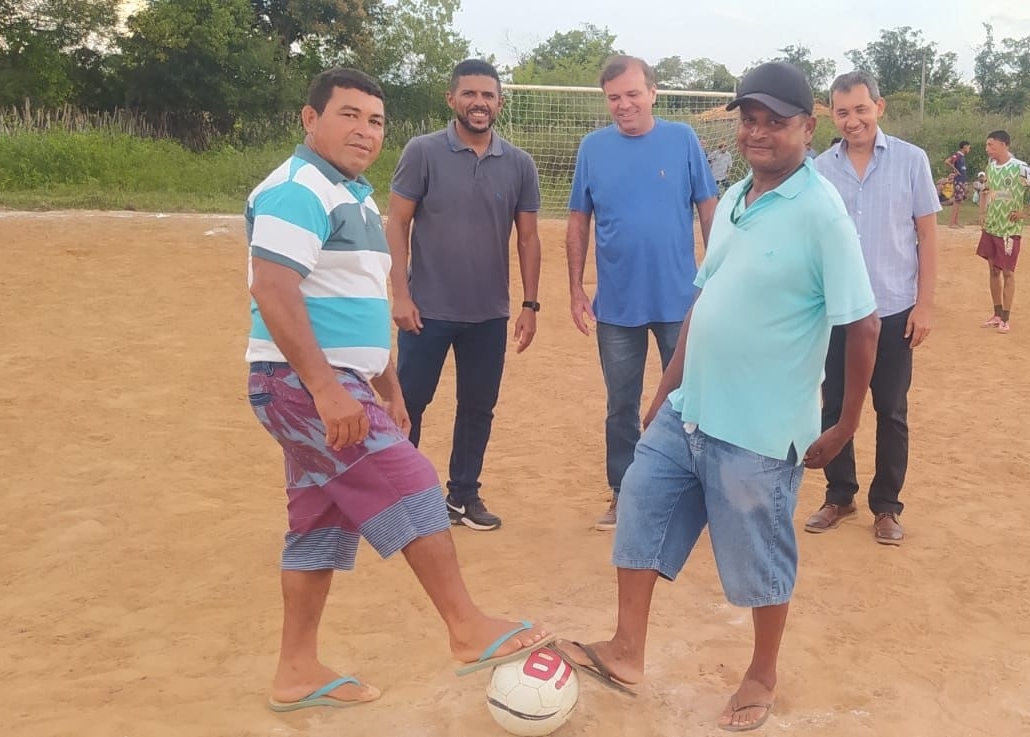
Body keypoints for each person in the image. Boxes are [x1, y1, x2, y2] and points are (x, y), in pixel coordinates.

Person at [551, 61, 881, 733]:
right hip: (690, 407)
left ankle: (762, 670)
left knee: (760, 557)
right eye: (749, 119)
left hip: (760, 428)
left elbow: (863, 321)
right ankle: (626, 649)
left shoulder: (822, 212)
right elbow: (704, 298)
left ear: (807, 129)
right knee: (640, 503)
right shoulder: (735, 198)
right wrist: (666, 388)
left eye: (775, 121)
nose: (758, 132)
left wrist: (845, 424)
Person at [244, 68, 552, 713]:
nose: (364, 131)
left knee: (320, 524)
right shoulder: (296, 190)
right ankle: (466, 627)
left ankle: (296, 671)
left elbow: (350, 302)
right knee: (412, 482)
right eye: (349, 115)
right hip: (303, 384)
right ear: (310, 118)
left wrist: (384, 380)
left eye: (375, 120)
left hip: (334, 381)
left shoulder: (351, 192)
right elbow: (272, 292)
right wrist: (328, 390)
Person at [385, 59, 543, 532]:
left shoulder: (518, 163)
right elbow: (397, 222)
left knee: (478, 408)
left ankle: (463, 496)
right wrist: (400, 294)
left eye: (488, 95)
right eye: (470, 94)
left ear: (500, 102)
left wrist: (530, 305)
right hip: (427, 308)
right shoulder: (423, 151)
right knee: (409, 403)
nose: (479, 103)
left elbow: (529, 239)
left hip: (488, 313)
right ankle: (400, 501)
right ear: (451, 98)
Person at [566, 55, 719, 532]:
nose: (624, 104)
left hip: (681, 300)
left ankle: (701, 492)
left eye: (633, 94)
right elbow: (578, 220)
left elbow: (708, 206)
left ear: (653, 92)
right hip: (616, 306)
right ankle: (623, 492)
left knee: (692, 397)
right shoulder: (592, 148)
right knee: (621, 405)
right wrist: (575, 287)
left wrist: (717, 275)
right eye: (614, 97)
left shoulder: (682, 139)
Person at [807, 71, 940, 546]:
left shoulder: (911, 161)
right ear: (832, 115)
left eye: (861, 109)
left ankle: (887, 506)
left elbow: (926, 235)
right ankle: (839, 495)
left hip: (894, 309)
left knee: (891, 409)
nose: (852, 120)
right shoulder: (820, 169)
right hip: (838, 312)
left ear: (878, 108)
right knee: (835, 404)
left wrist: (923, 306)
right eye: (842, 112)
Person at [975, 130, 1030, 332]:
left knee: (1008, 272)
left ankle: (1006, 318)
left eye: (991, 145)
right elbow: (986, 190)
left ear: (1004, 145)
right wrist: (983, 212)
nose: (988, 149)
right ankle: (996, 313)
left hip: (1009, 229)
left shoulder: (1019, 168)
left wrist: (1028, 212)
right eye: (987, 145)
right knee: (993, 270)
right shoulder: (991, 167)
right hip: (992, 226)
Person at [944, 141, 972, 227]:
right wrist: (955, 170)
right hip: (958, 181)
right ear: (965, 147)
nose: (969, 149)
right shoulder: (958, 155)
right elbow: (947, 161)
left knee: (959, 201)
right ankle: (952, 223)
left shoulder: (962, 157)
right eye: (968, 147)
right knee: (956, 201)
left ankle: (956, 221)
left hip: (962, 181)